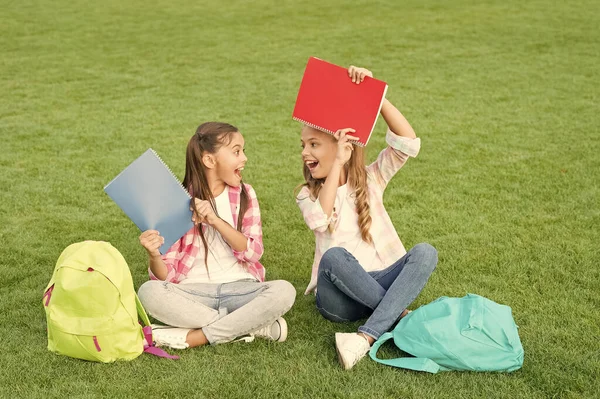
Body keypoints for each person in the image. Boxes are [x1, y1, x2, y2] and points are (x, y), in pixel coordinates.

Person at [296, 66, 438, 369]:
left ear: (341, 143)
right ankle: (398, 316)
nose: (305, 152)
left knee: (426, 253)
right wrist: (336, 165)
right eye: (303, 145)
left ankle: (364, 338)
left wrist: (377, 94)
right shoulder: (306, 194)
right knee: (334, 256)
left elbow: (408, 142)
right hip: (338, 300)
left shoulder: (371, 179)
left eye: (314, 144)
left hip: (377, 281)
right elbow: (319, 219)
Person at [138, 122, 296, 349]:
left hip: (241, 288)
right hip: (193, 291)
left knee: (284, 291)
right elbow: (164, 276)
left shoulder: (246, 194)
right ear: (210, 160)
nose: (245, 158)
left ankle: (197, 336)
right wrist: (154, 255)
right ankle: (248, 326)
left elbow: (253, 252)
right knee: (149, 292)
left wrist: (215, 221)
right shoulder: (176, 202)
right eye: (237, 151)